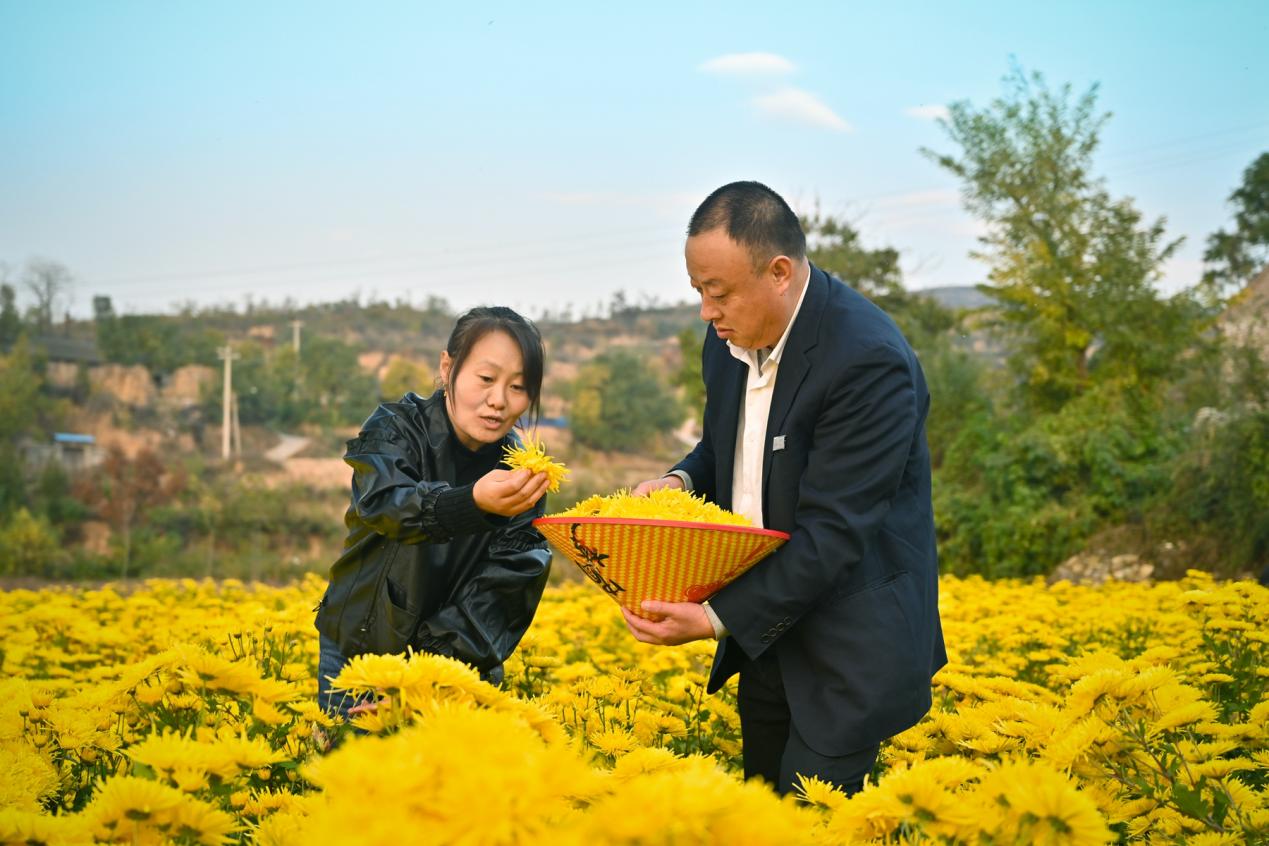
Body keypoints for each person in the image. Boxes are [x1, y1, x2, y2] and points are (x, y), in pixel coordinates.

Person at [625, 181, 947, 796]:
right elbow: (725, 449)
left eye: (717, 293)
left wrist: (712, 617)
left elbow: (832, 535)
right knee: (761, 810)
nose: (705, 313)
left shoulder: (866, 360)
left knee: (813, 817)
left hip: (847, 645)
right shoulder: (727, 341)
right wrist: (678, 480)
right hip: (767, 634)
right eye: (698, 293)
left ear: (778, 272)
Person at [314, 306, 554, 718]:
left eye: (518, 387)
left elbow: (504, 591)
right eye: (485, 379)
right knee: (353, 778)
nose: (498, 401)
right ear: (448, 368)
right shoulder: (394, 429)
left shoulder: (523, 470)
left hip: (455, 673)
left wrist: (422, 678)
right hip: (361, 657)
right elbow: (386, 505)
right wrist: (471, 503)